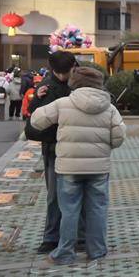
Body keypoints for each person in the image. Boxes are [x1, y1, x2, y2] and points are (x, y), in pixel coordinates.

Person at [29, 67, 126, 265]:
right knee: (97, 209)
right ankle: (97, 250)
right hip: (98, 168)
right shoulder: (109, 108)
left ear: (75, 83)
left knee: (69, 210)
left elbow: (37, 121)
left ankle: (64, 252)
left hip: (68, 168)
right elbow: (118, 139)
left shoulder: (63, 103)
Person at [26, 51, 83, 254]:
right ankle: (51, 238)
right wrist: (37, 101)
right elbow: (34, 117)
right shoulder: (46, 86)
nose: (61, 77)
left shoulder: (81, 84)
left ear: (73, 67)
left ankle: (81, 237)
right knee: (54, 195)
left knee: (79, 192)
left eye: (64, 72)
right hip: (53, 148)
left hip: (76, 147)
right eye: (58, 73)